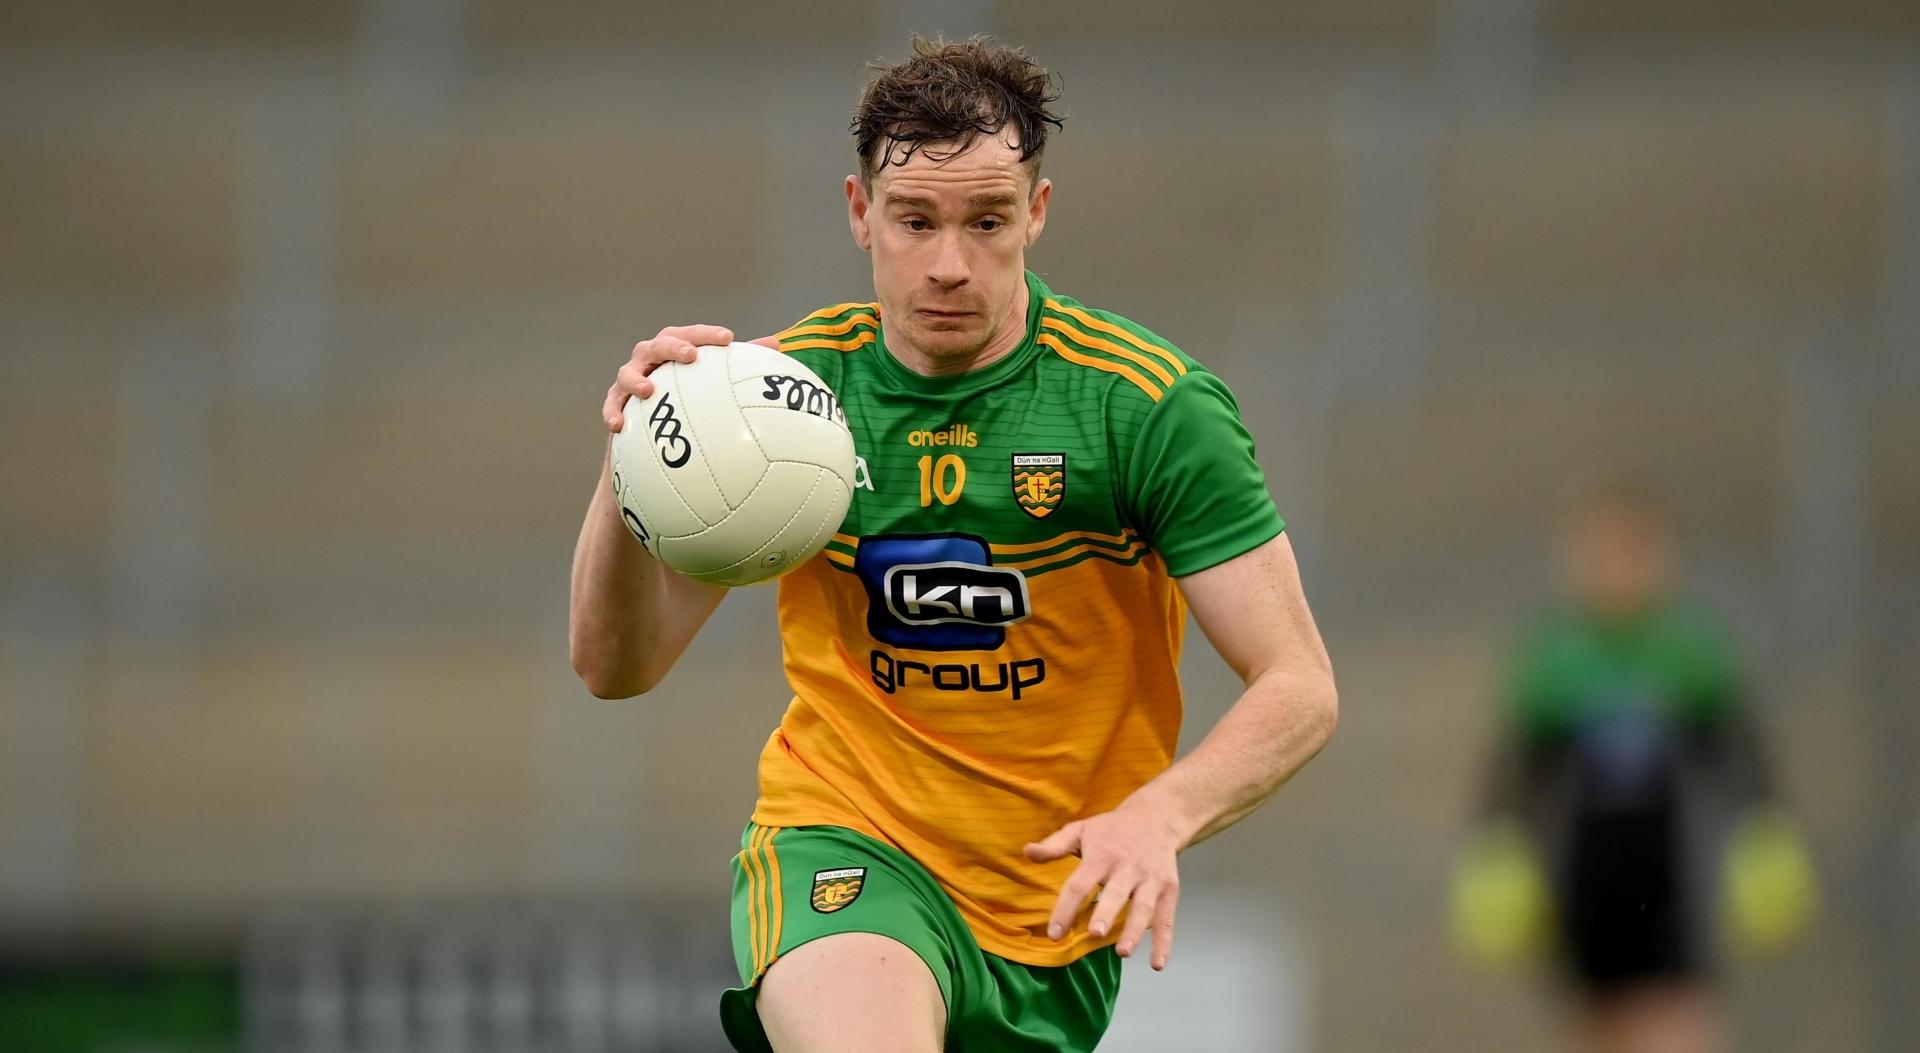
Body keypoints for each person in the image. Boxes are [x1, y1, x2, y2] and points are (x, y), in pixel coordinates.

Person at [569, 36, 1337, 1053]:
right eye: (915, 220)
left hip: (1051, 911)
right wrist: (632, 464)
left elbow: (1298, 684)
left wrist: (1162, 816)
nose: (948, 264)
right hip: (847, 840)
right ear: (860, 212)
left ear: (1038, 212)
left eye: (987, 221)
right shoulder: (780, 404)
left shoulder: (1145, 408)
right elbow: (615, 667)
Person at [1450, 482, 1815, 1053]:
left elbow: (1746, 762)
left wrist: (1764, 835)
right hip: (1587, 893)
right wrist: (1497, 849)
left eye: (1633, 552)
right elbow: (1509, 778)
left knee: (1679, 1027)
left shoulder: (1693, 656)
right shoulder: (1554, 665)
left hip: (1675, 893)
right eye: (1601, 554)